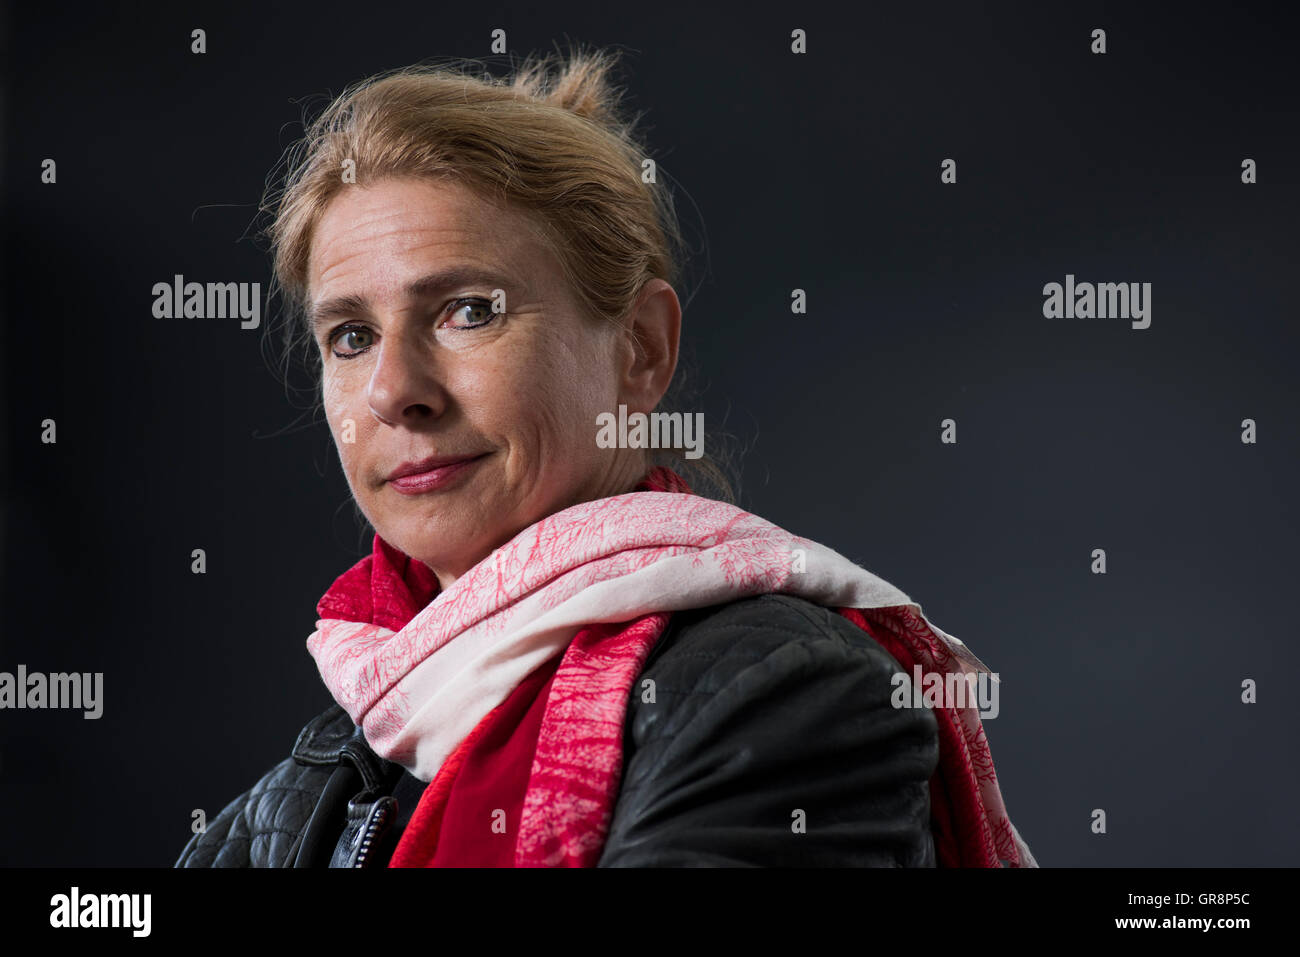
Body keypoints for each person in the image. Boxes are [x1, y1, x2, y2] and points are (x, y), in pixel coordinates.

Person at [175, 47, 1036, 868]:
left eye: (468, 310)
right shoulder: (307, 782)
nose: (395, 389)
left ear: (641, 349)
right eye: (352, 335)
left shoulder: (791, 695)